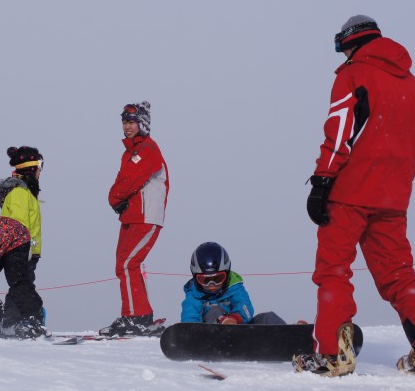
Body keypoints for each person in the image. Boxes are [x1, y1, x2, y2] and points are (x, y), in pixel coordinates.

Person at [293, 15, 415, 378]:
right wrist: (393, 178)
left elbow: (340, 133)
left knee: (334, 271)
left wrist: (321, 181)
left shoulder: (353, 76)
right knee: (399, 274)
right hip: (393, 199)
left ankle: (333, 354)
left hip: (348, 192)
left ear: (349, 44)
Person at [100, 101, 169, 337]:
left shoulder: (148, 149)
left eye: (132, 122)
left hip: (146, 216)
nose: (127, 127)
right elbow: (123, 179)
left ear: (142, 124)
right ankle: (136, 313)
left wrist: (113, 197)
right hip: (131, 216)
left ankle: (135, 317)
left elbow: (131, 180)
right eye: (125, 122)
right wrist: (117, 197)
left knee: (129, 264)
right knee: (124, 265)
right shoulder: (129, 153)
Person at [181, 242, 286, 325]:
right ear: (195, 278)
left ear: (226, 274)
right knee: (215, 311)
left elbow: (245, 306)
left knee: (268, 317)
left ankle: (293, 340)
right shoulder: (194, 295)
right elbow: (189, 317)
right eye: (205, 280)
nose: (211, 284)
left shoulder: (234, 287)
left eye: (218, 278)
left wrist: (234, 319)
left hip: (239, 330)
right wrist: (190, 333)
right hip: (211, 336)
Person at [0, 146, 44, 281]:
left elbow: (33, 227)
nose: (41, 171)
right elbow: (19, 225)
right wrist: (26, 250)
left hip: (26, 252)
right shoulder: (20, 193)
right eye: (39, 167)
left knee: (22, 290)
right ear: (31, 169)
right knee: (22, 291)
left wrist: (34, 251)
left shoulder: (27, 193)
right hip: (19, 252)